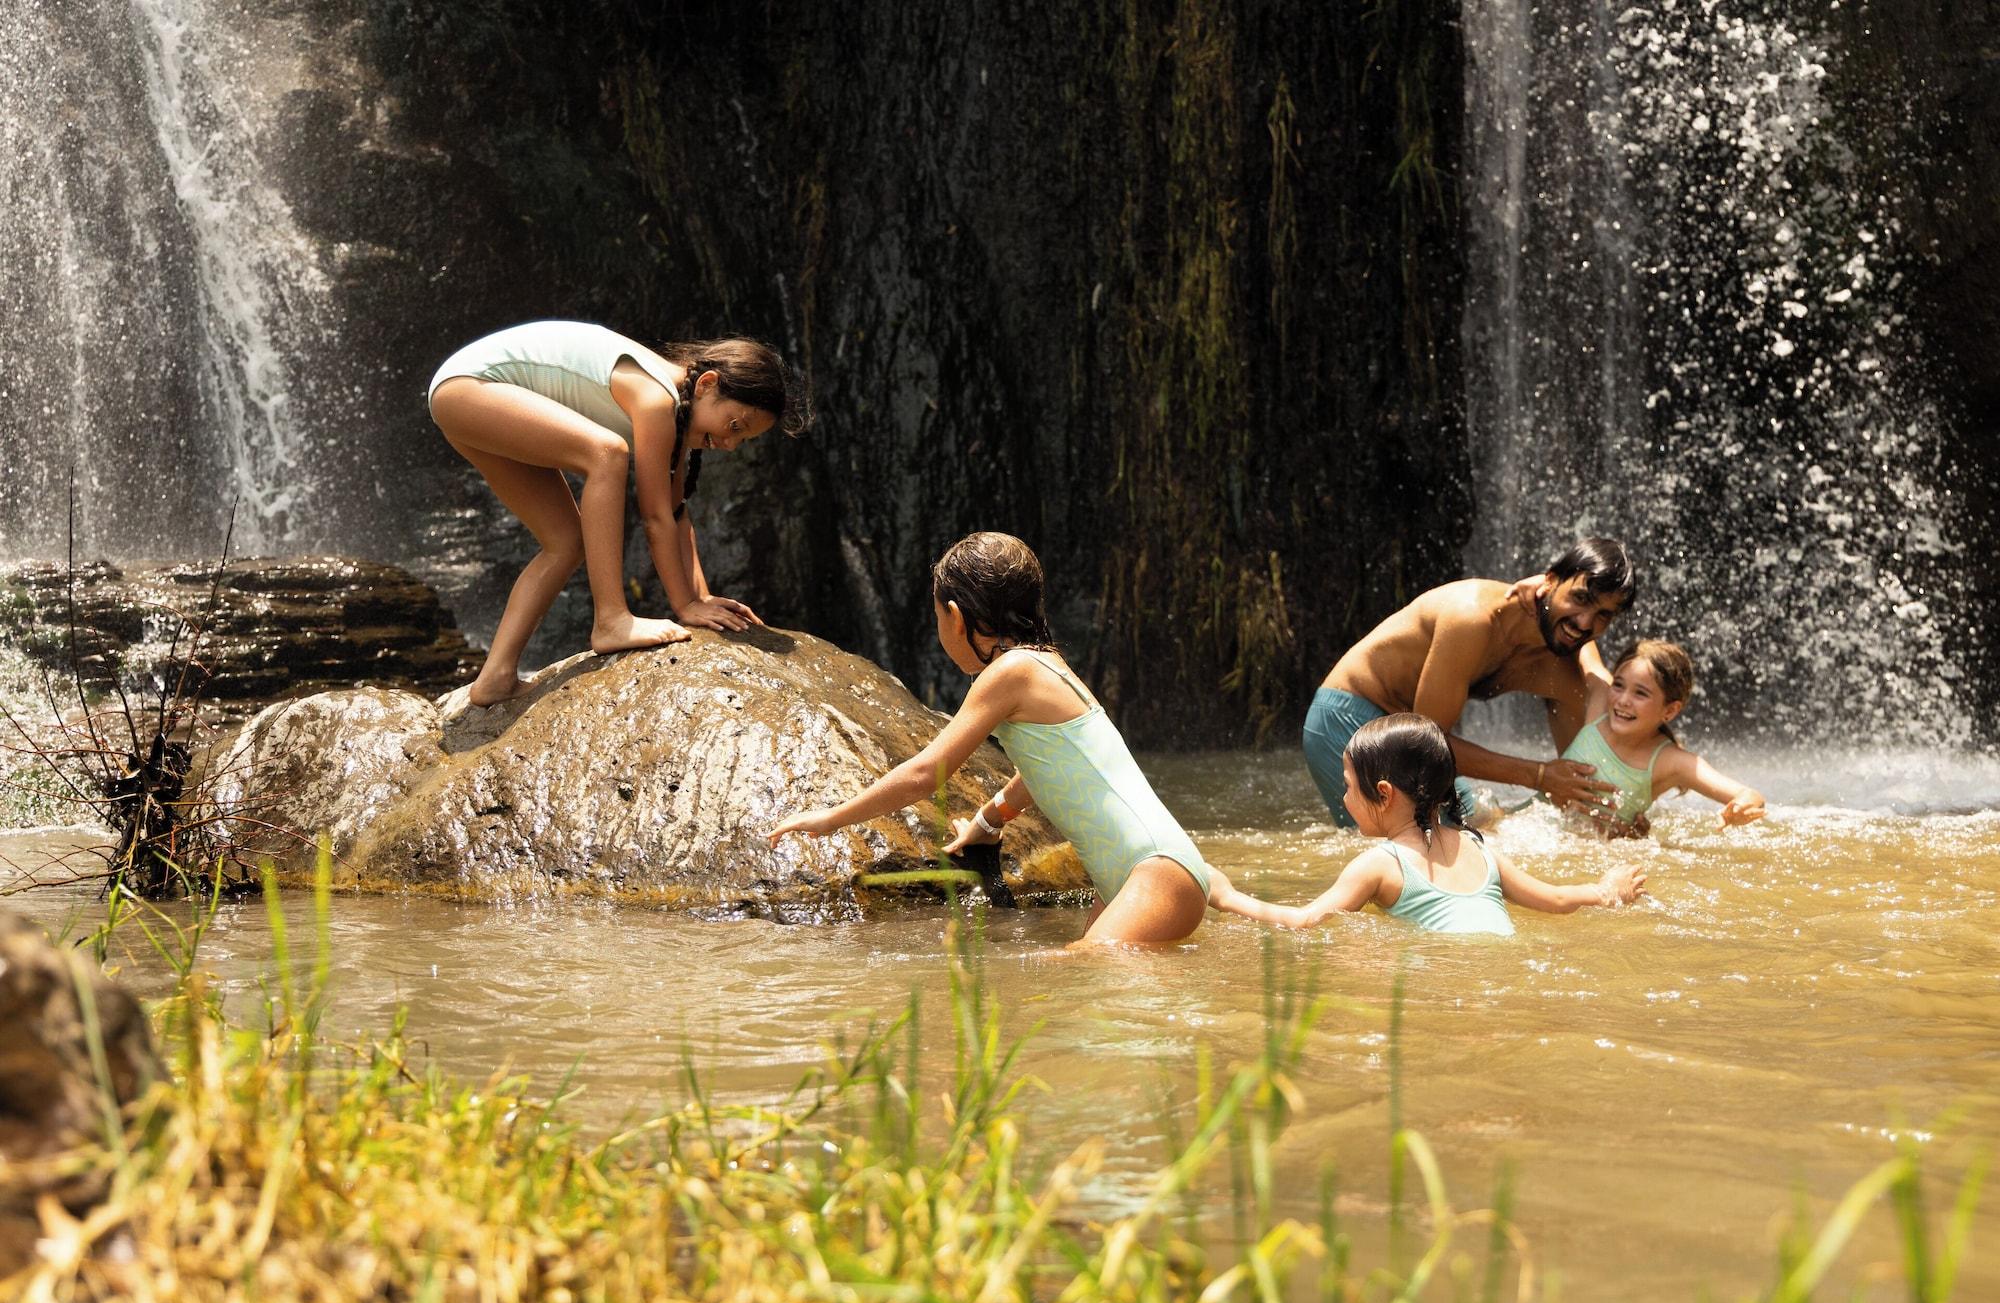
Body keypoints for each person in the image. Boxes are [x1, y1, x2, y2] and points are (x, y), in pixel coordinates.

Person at [767, 531, 1225, 945]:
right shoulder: (1045, 665)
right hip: (1143, 875)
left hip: (1155, 873)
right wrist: (987, 824)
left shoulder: (1011, 672)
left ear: (955, 617)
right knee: (1089, 1018)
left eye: (938, 619)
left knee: (1070, 972)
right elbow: (1043, 774)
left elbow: (927, 773)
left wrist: (832, 818)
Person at [428, 320, 807, 706]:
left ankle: (495, 677)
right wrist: (685, 606)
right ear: (707, 383)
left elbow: (675, 513)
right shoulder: (657, 398)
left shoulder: (680, 415)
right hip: (469, 387)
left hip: (469, 399)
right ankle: (611, 619)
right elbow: (655, 516)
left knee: (566, 543)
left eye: (742, 439)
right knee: (606, 453)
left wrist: (701, 597)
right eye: (734, 426)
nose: (729, 444)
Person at [1306, 537, 1638, 829]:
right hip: (1352, 716)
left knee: (1490, 826)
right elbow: (1427, 744)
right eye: (1579, 599)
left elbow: (1580, 775)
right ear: (1548, 582)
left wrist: (1615, 817)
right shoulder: (1472, 619)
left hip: (1410, 740)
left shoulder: (1563, 662)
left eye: (1603, 616)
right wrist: (1538, 774)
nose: (1584, 622)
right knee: (1410, 850)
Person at [1212, 713, 1647, 935]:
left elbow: (1305, 923)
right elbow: (1555, 898)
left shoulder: (1381, 864)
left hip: (1451, 986)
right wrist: (1609, 890)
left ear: (1384, 793)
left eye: (1347, 786)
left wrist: (1226, 896)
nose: (1344, 798)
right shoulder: (1479, 847)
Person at [1552, 639, 1766, 835]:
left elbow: (1751, 795)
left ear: (1670, 711)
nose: (1623, 700)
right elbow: (1585, 646)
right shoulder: (1600, 707)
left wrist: (1739, 808)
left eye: (1640, 693)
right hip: (1533, 827)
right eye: (1618, 685)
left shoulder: (1671, 762)